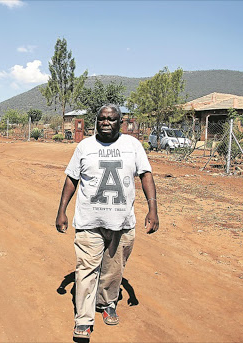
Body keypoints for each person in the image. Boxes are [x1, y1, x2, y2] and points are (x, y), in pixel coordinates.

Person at [55, 104, 159, 340]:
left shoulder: (133, 146)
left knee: (114, 271)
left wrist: (153, 209)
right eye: (101, 119)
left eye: (111, 119)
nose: (106, 122)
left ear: (120, 122)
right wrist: (62, 211)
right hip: (88, 222)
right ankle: (83, 319)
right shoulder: (85, 146)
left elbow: (145, 175)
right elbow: (72, 178)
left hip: (121, 223)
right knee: (85, 270)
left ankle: (107, 302)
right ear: (96, 121)